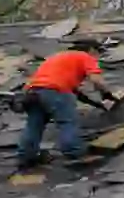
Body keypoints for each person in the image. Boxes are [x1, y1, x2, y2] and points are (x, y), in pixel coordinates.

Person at [16, 41, 117, 170]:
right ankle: (75, 154)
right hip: (55, 90)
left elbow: (76, 92)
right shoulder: (84, 56)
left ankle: (26, 157)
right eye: (98, 53)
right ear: (91, 50)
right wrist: (107, 93)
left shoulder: (56, 58)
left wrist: (96, 104)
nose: (98, 58)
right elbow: (96, 80)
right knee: (67, 122)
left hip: (31, 93)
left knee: (34, 125)